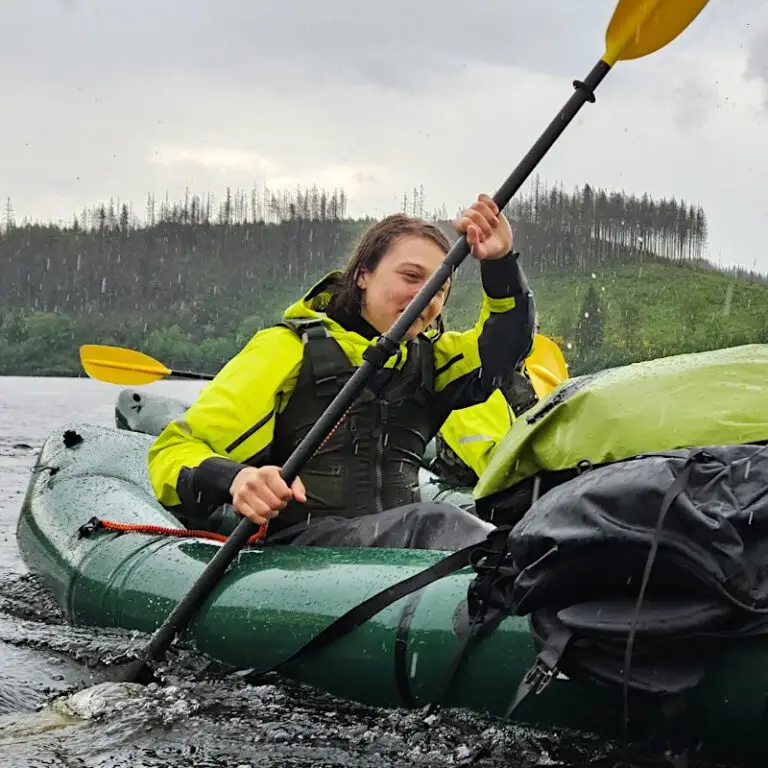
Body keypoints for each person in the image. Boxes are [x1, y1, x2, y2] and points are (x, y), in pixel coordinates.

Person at [147, 193, 535, 550]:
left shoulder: (432, 360)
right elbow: (173, 451)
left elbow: (503, 349)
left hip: (400, 552)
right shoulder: (287, 349)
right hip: (304, 551)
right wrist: (235, 478)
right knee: (434, 524)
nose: (426, 298)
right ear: (362, 275)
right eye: (412, 277)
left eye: (439, 289)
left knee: (466, 527)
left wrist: (499, 264)